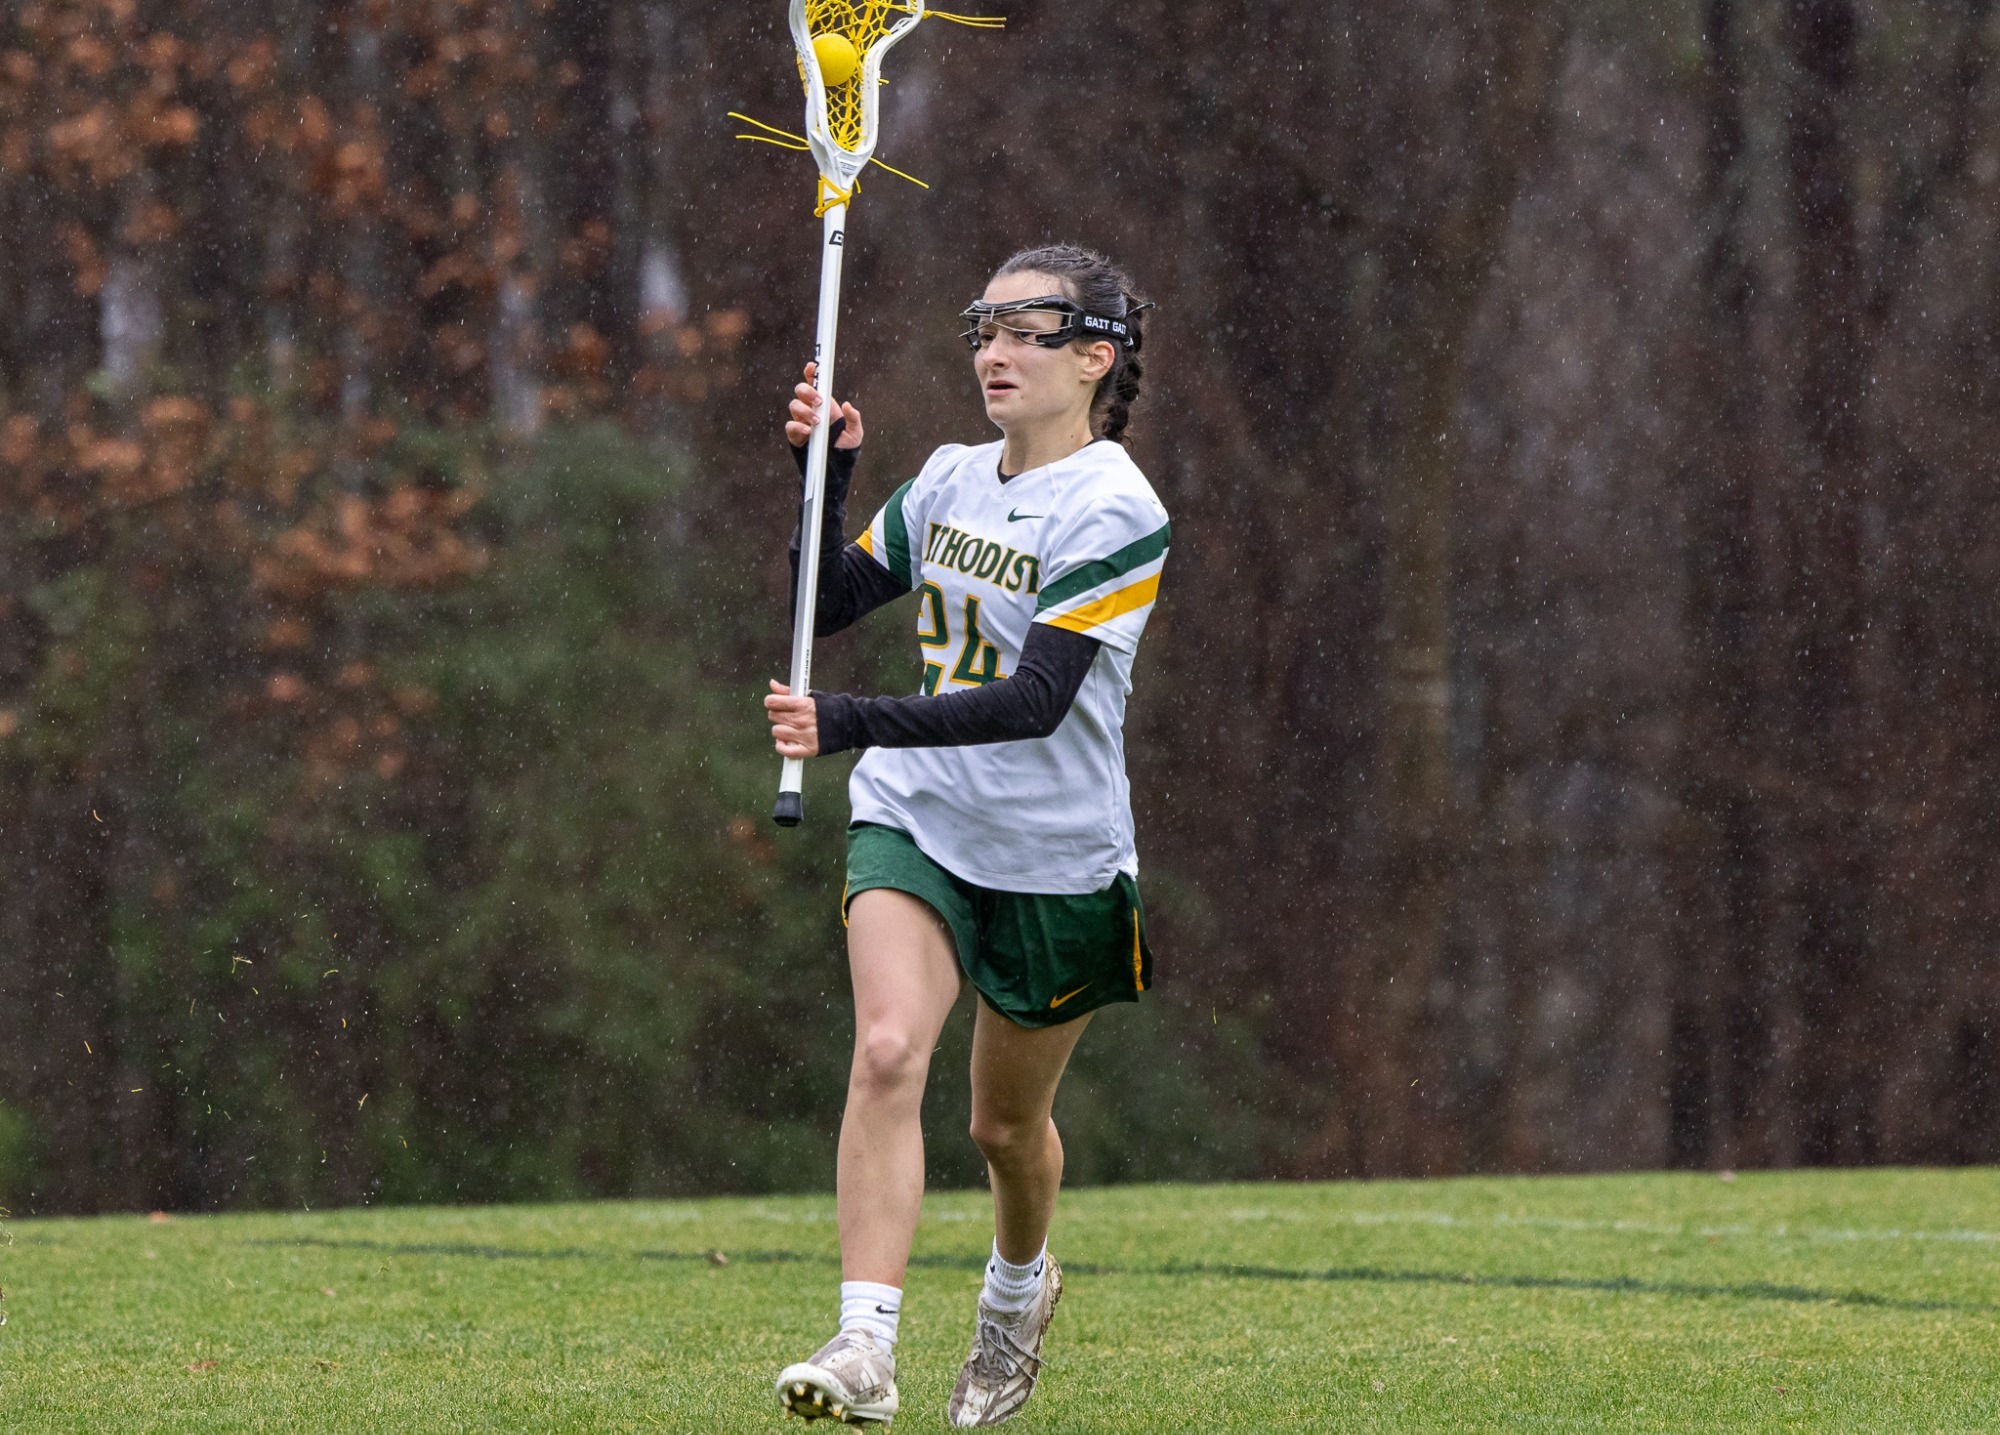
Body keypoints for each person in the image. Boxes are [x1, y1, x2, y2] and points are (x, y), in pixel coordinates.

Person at [765, 243, 1169, 1428]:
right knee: (888, 1050)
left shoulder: (1114, 506)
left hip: (1054, 853)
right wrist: (821, 478)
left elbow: (1034, 700)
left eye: (1023, 332)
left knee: (1004, 1129)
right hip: (917, 814)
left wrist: (845, 719)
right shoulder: (945, 478)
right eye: (982, 329)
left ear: (1093, 357)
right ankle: (865, 1343)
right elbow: (825, 604)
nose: (992, 352)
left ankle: (1012, 1292)